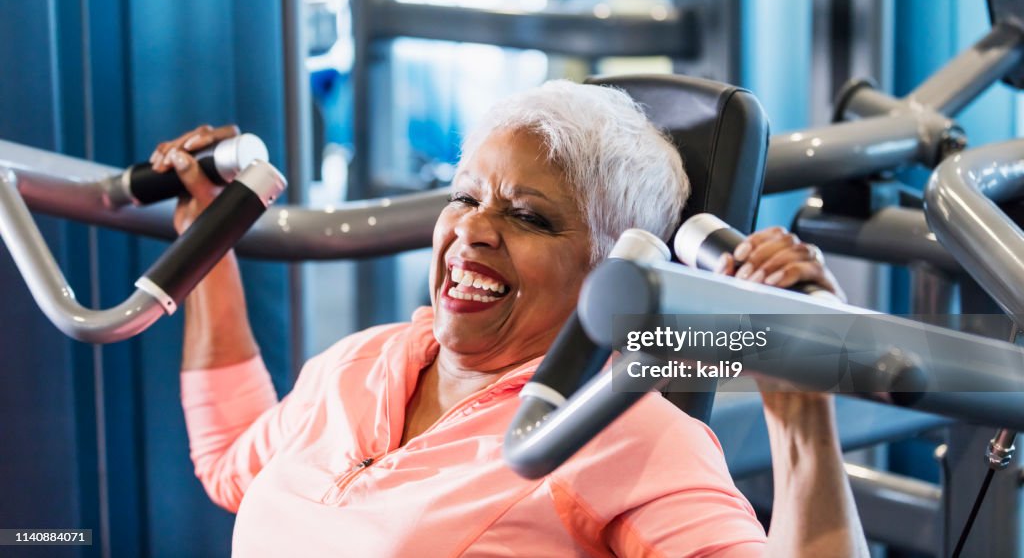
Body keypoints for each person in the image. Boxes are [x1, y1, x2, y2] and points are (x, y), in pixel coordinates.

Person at [151, 80, 868, 557]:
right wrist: (206, 243)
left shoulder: (624, 433)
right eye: (465, 197)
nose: (473, 231)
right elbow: (230, 461)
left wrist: (801, 413)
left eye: (527, 215)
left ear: (613, 272)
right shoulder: (361, 363)